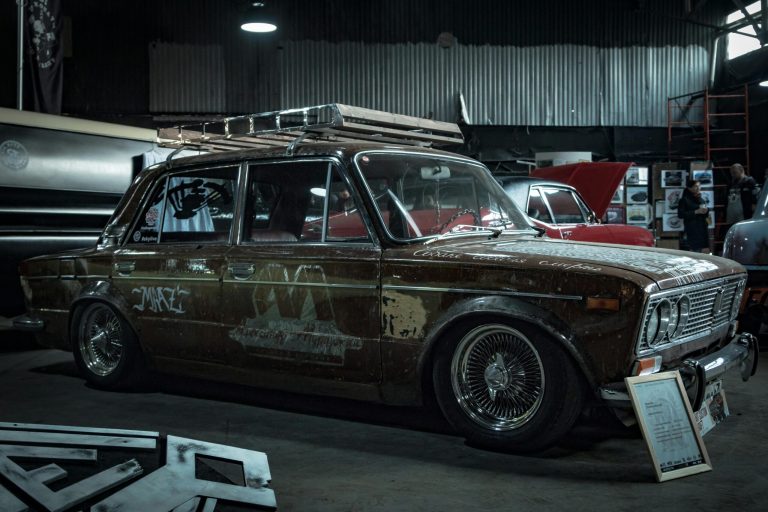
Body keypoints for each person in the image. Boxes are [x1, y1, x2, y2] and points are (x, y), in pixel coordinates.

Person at [678, 179, 710, 253]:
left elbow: (706, 216)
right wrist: (696, 212)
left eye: (699, 186)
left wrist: (706, 211)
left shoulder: (701, 199)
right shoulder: (684, 200)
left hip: (702, 229)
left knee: (705, 252)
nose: (698, 188)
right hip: (692, 230)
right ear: (689, 188)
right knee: (694, 252)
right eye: (696, 186)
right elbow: (680, 214)